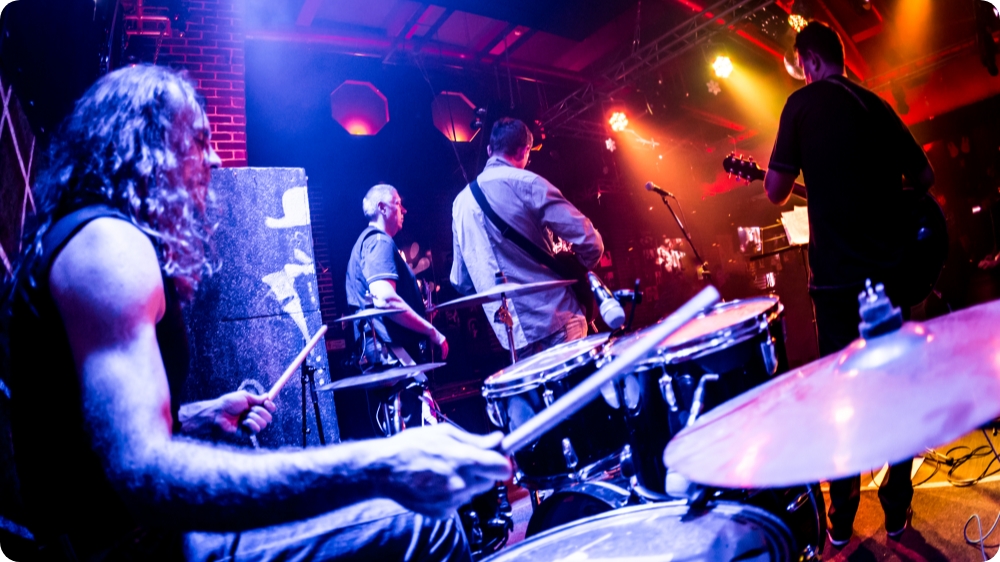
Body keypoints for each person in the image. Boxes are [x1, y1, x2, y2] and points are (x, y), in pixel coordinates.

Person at [2, 64, 509, 561]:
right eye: (199, 140)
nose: (216, 158)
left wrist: (198, 416)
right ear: (147, 147)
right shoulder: (107, 245)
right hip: (131, 547)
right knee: (423, 522)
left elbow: (90, 439)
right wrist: (381, 465)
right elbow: (143, 472)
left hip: (129, 536)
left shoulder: (83, 237)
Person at [764, 21, 935, 548]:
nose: (802, 74)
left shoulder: (800, 105)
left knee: (843, 402)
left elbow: (774, 190)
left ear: (811, 60)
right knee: (897, 394)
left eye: (801, 65)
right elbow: (924, 177)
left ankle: (841, 520)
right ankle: (897, 511)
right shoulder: (876, 105)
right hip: (890, 279)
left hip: (837, 287)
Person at [450, 118, 604, 358]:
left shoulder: (460, 204)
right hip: (557, 318)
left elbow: (460, 281)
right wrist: (575, 267)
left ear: (490, 150)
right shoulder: (528, 183)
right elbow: (591, 242)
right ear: (524, 151)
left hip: (512, 336)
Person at [346, 184, 448, 367]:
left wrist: (416, 310)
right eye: (398, 203)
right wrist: (432, 332)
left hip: (385, 350)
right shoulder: (379, 242)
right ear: (382, 208)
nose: (404, 210)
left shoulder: (368, 242)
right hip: (393, 353)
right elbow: (385, 300)